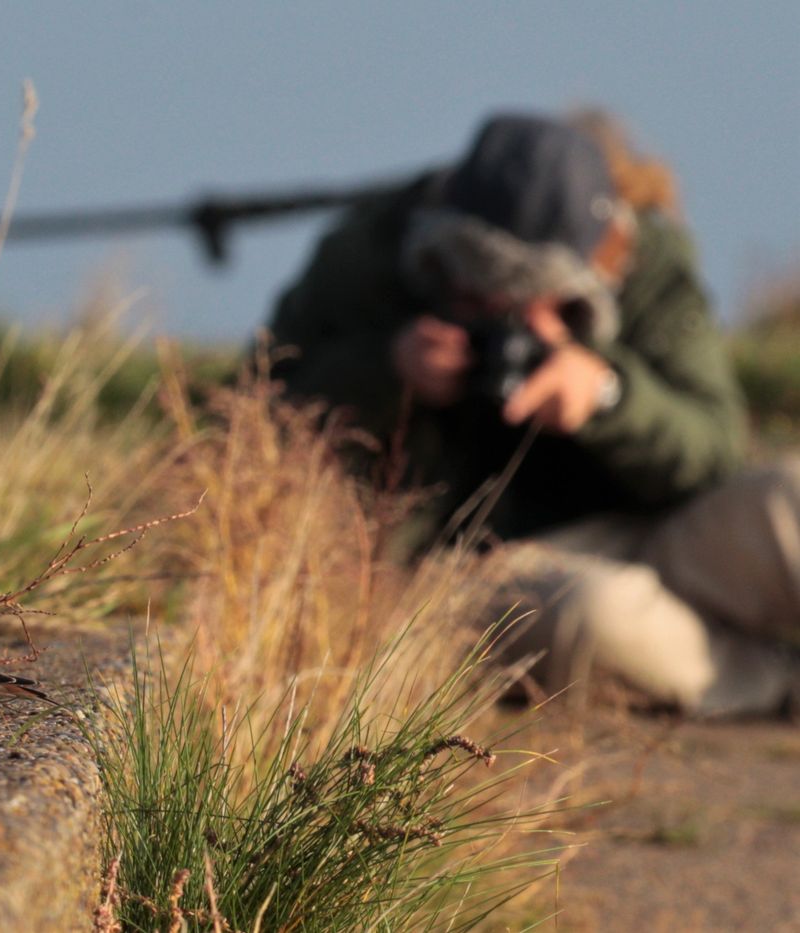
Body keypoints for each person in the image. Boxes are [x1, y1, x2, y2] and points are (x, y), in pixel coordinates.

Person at [265, 111, 800, 717]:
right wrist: (388, 373)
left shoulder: (644, 260)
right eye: (477, 294)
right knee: (597, 616)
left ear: (598, 266)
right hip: (468, 574)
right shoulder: (371, 252)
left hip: (648, 536)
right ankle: (775, 682)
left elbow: (715, 451)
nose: (503, 317)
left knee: (791, 499)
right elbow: (257, 422)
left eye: (533, 300)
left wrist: (608, 398)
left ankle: (691, 642)